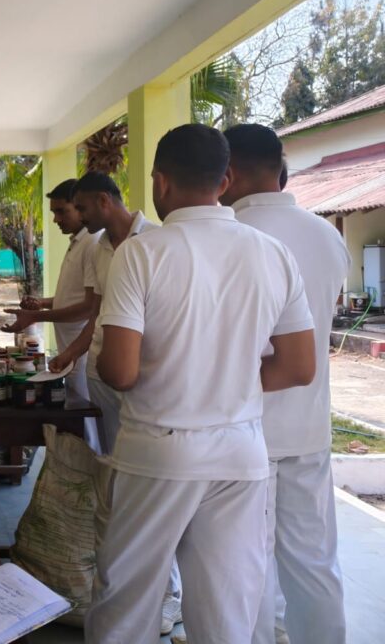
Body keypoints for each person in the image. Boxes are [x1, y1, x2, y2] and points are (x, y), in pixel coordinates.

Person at [84, 125, 316, 644]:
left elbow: (120, 371)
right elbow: (300, 366)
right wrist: (226, 377)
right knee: (226, 612)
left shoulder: (142, 253)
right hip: (241, 452)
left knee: (128, 604)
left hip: (158, 451)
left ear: (160, 182)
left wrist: (168, 372)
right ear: (225, 180)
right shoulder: (272, 253)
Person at [222, 124, 350, 644]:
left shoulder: (230, 237)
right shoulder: (327, 235)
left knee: (245, 566)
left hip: (243, 428)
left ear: (228, 173)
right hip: (308, 424)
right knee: (314, 561)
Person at [45, 172, 183, 633]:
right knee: (116, 487)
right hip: (102, 378)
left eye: (83, 208)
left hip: (145, 383)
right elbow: (99, 315)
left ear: (104, 201)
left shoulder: (158, 242)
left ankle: (170, 594)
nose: (79, 217)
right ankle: (128, 589)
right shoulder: (100, 247)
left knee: (156, 491)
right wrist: (72, 353)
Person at [5, 178, 100, 450]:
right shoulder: (77, 242)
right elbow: (72, 297)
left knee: (86, 430)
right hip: (69, 351)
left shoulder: (92, 243)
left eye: (62, 211)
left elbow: (89, 307)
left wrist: (36, 317)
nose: (56, 219)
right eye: (54, 212)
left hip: (83, 352)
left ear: (80, 207)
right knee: (76, 427)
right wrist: (42, 304)